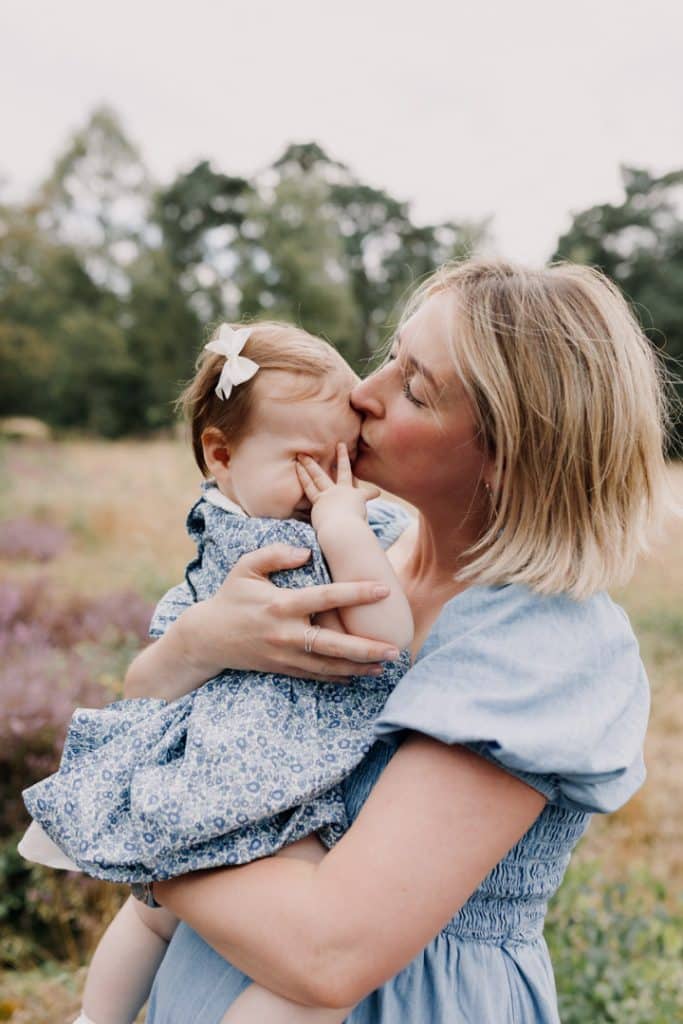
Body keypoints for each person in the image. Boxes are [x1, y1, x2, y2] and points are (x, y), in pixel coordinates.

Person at [124, 259, 671, 1024]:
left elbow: (327, 953)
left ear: (506, 455)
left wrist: (124, 816)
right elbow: (150, 700)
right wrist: (195, 644)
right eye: (390, 357)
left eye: (414, 388)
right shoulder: (350, 541)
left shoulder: (543, 646)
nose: (362, 394)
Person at [18, 320, 414, 1024]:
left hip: (232, 766)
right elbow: (387, 634)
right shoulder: (275, 537)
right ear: (220, 454)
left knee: (156, 916)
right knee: (309, 973)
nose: (327, 484)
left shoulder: (251, 512)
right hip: (263, 774)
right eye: (304, 460)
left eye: (344, 458)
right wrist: (344, 527)